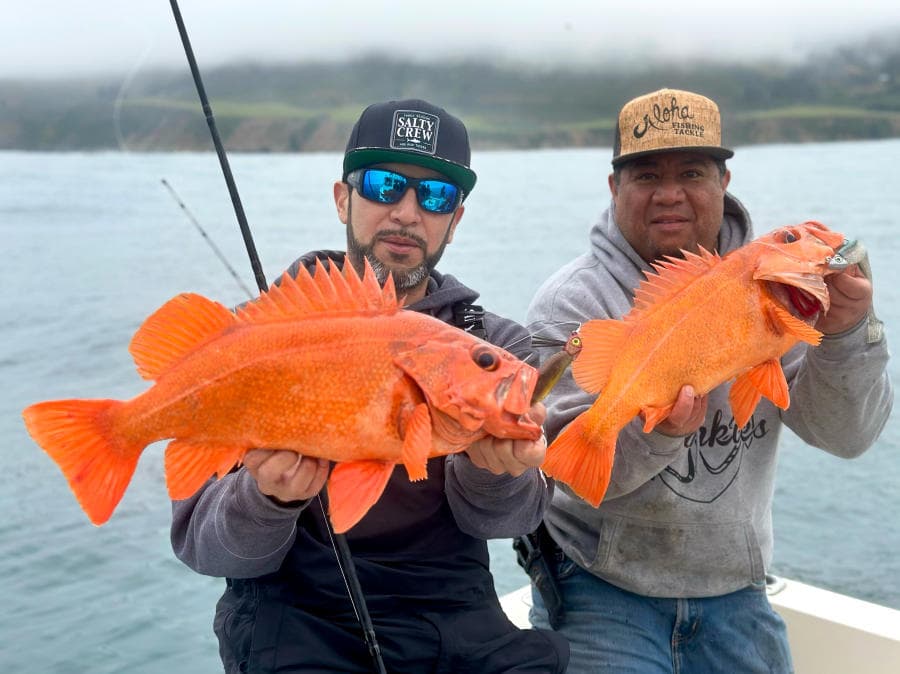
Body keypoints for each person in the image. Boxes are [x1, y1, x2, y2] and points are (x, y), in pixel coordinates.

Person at [171, 98, 569, 673]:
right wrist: (269, 498)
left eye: (436, 196)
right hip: (298, 623)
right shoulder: (253, 337)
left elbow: (512, 522)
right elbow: (205, 550)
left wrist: (493, 471)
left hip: (458, 622)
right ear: (343, 198)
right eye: (385, 185)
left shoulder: (497, 349)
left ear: (455, 220)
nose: (407, 212)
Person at [523, 88, 892, 673]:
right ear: (615, 187)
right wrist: (660, 433)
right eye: (647, 175)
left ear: (724, 182)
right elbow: (571, 477)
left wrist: (848, 332)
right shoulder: (572, 301)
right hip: (596, 584)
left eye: (692, 173)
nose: (670, 193)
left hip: (735, 588)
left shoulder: (780, 292)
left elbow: (845, 437)